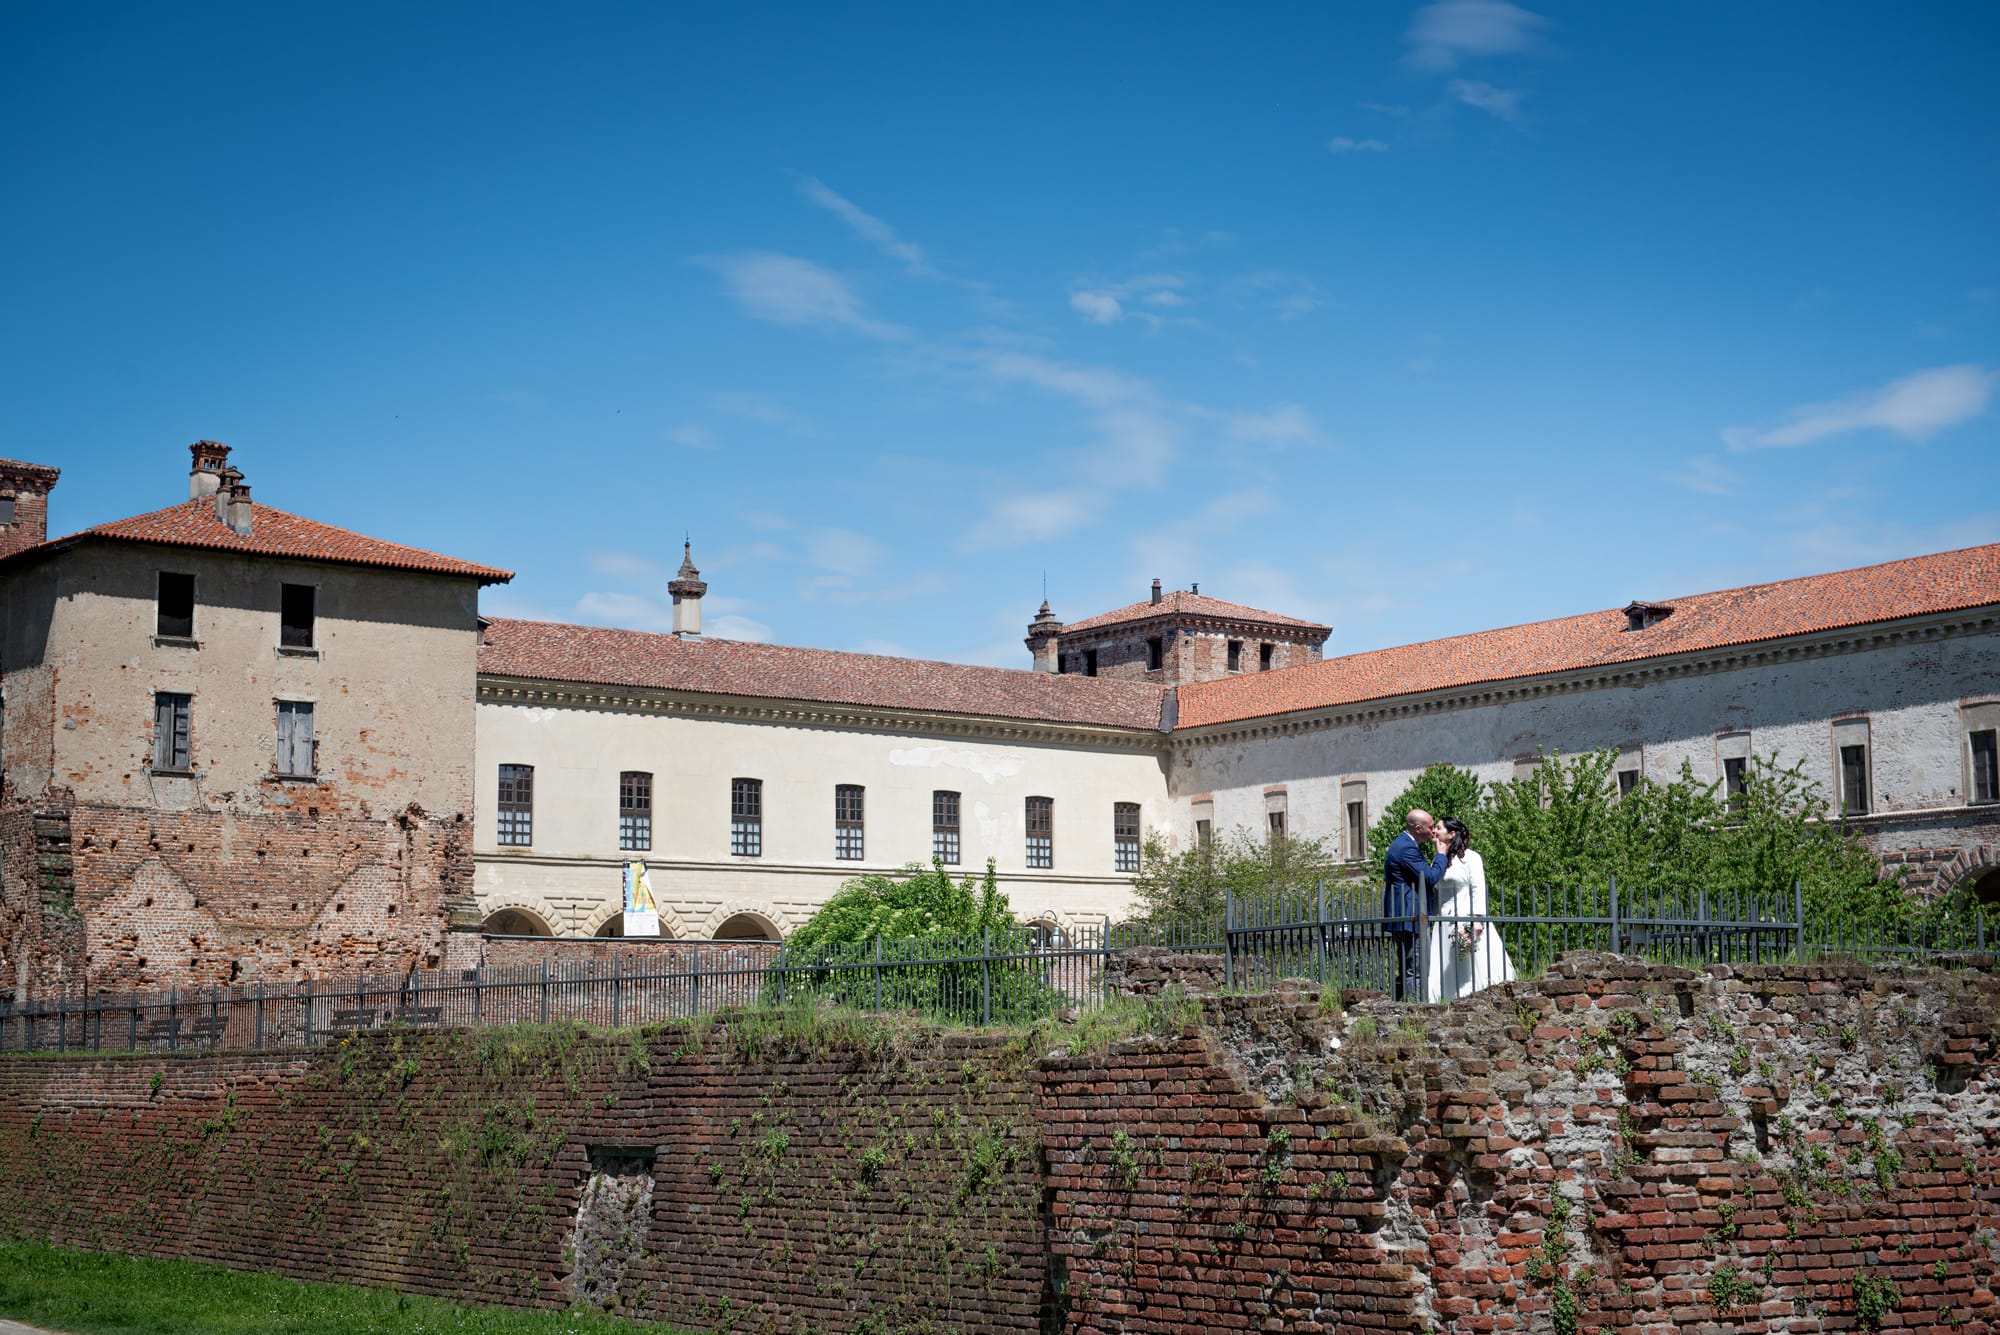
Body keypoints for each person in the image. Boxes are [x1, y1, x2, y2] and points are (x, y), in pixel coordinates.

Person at [1424, 817, 1516, 1000]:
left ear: (1451, 834)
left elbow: (1478, 888)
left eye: (1439, 828)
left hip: (1466, 917)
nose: (1434, 831)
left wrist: (1477, 920)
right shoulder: (1439, 859)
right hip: (1443, 921)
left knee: (1470, 967)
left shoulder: (1471, 858)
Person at [1382, 808, 1448, 1001]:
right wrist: (1441, 855)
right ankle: (1415, 1008)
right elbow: (1429, 877)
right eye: (1430, 827)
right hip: (1411, 915)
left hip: (1403, 914)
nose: (1434, 831)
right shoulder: (1406, 848)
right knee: (1417, 968)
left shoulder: (1403, 844)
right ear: (1418, 828)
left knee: (1409, 966)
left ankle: (1406, 1005)